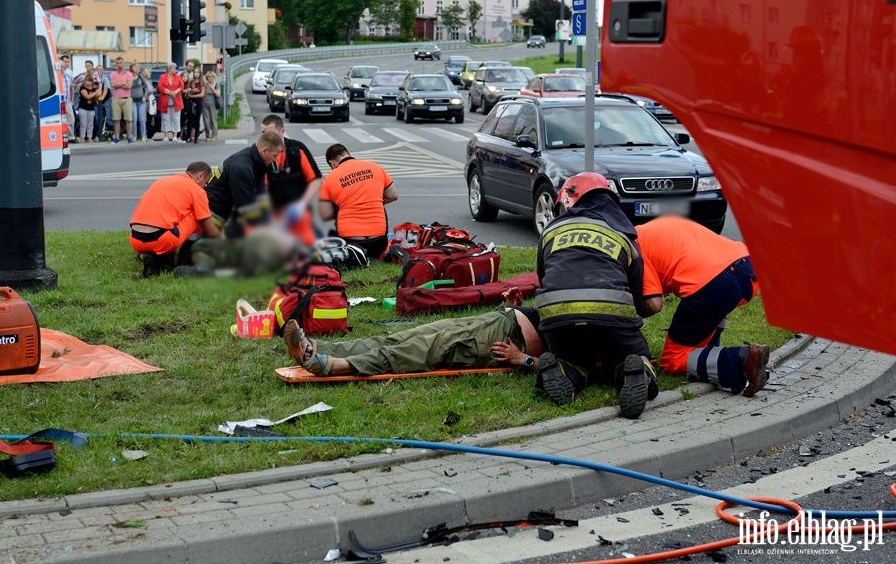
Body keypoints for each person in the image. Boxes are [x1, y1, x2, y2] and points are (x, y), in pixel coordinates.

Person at [535, 173, 658, 418]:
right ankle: (635, 371)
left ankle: (564, 369)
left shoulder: (549, 232)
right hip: (612, 319)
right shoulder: (623, 235)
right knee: (632, 353)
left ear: (567, 201)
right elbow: (635, 295)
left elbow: (543, 277)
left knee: (575, 357)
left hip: (557, 320)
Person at [634, 216, 769, 397]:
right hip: (746, 267)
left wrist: (630, 321)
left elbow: (653, 304)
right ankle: (712, 356)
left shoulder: (633, 246)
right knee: (712, 306)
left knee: (672, 359)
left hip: (714, 283)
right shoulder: (650, 229)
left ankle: (743, 358)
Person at [282, 287, 546, 377]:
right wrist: (516, 309)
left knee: (419, 350)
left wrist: (523, 359)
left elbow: (569, 367)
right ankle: (317, 348)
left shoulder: (585, 329)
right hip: (497, 320)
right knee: (400, 338)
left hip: (503, 340)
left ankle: (334, 365)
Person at [129, 161, 221, 276]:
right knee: (198, 214)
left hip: (135, 239)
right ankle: (185, 261)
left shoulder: (161, 181)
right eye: (205, 183)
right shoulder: (197, 190)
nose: (204, 187)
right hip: (162, 240)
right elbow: (208, 225)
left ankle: (154, 259)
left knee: (170, 220)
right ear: (200, 175)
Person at [318, 143, 398, 259]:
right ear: (349, 154)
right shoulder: (374, 167)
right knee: (378, 201)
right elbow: (393, 195)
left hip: (352, 244)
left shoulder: (329, 179)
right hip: (379, 242)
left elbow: (324, 215)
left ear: (332, 163)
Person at [206, 131, 285, 237]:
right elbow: (246, 208)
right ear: (264, 151)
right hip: (213, 216)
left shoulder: (259, 162)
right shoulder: (241, 166)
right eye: (275, 155)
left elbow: (260, 195)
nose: (276, 160)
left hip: (227, 213)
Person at [259, 114, 323, 245]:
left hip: (300, 214)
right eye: (263, 133)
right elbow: (261, 187)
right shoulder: (261, 153)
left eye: (270, 133)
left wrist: (301, 204)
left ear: (282, 131)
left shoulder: (297, 149)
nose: (266, 138)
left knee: (313, 248)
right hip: (274, 216)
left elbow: (315, 180)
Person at [109, 57, 134, 144]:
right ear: (116, 64)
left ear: (123, 63)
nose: (119, 64)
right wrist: (123, 83)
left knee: (128, 119)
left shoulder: (129, 74)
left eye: (121, 63)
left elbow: (129, 86)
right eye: (118, 63)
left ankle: (130, 137)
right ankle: (116, 137)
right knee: (116, 119)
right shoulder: (113, 74)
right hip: (116, 98)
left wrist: (118, 85)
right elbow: (113, 84)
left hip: (126, 98)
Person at [158, 63, 184, 142]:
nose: (175, 69)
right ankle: (166, 136)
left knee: (175, 118)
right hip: (165, 100)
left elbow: (181, 86)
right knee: (165, 118)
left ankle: (175, 136)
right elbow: (160, 87)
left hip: (176, 100)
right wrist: (170, 92)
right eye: (173, 68)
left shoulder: (178, 77)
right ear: (169, 69)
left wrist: (175, 92)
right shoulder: (162, 77)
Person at [129, 62, 152, 143]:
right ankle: (134, 135)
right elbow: (127, 88)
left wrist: (145, 96)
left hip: (141, 100)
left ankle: (143, 135)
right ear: (132, 68)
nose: (137, 68)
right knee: (134, 119)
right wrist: (129, 97)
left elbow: (146, 87)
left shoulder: (140, 76)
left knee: (142, 119)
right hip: (133, 100)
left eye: (138, 67)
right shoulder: (129, 76)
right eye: (135, 67)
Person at [77, 75, 99, 142]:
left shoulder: (93, 89)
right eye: (87, 81)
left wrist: (96, 96)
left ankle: (90, 137)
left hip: (91, 108)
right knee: (83, 123)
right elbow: (87, 97)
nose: (89, 83)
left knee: (90, 124)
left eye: (90, 81)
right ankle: (82, 137)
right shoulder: (82, 88)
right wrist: (95, 93)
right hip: (83, 108)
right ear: (84, 81)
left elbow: (95, 100)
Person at [186, 67, 206, 143]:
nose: (196, 74)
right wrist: (192, 91)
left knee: (197, 120)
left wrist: (192, 95)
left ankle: (196, 137)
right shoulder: (191, 82)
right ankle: (188, 136)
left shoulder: (202, 83)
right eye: (195, 72)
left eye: (198, 72)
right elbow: (188, 93)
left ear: (200, 73)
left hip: (199, 102)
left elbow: (202, 94)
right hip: (191, 102)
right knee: (190, 119)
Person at [60, 55, 76, 142]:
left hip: (67, 101)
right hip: (59, 102)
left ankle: (71, 137)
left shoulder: (69, 74)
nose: (64, 66)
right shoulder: (57, 76)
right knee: (61, 120)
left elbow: (72, 87)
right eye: (62, 65)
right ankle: (63, 137)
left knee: (71, 119)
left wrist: (72, 100)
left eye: (67, 62)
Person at [94, 64, 112, 141]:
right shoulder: (94, 80)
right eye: (98, 69)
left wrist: (101, 99)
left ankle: (110, 132)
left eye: (101, 69)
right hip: (97, 101)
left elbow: (106, 89)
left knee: (109, 117)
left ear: (103, 71)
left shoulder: (105, 79)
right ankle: (100, 133)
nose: (99, 71)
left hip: (106, 99)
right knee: (99, 118)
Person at [202, 72, 221, 142]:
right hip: (205, 104)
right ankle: (207, 136)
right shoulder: (205, 85)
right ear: (207, 77)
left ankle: (214, 136)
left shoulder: (216, 84)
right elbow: (203, 93)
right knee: (206, 121)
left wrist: (213, 88)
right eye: (209, 76)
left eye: (212, 76)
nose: (210, 78)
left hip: (213, 104)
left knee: (214, 120)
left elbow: (218, 94)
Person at [179, 60, 195, 140]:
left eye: (192, 66)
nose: (191, 68)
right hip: (180, 102)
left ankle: (190, 135)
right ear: (185, 66)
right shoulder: (179, 74)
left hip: (188, 101)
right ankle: (180, 135)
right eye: (189, 66)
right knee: (181, 119)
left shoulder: (193, 75)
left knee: (190, 119)